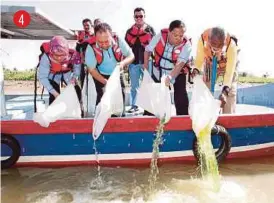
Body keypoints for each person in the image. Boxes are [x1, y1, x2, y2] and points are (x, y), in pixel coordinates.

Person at [144, 20, 192, 116]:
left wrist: (169, 78)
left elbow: (180, 65)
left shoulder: (187, 45)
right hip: (160, 70)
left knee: (180, 97)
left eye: (181, 36)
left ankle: (182, 119)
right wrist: (145, 68)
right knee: (153, 97)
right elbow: (148, 50)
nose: (178, 38)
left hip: (177, 73)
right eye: (175, 35)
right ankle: (148, 119)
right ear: (169, 32)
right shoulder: (160, 36)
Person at [85, 23, 135, 116]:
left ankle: (120, 120)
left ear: (111, 36)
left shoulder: (118, 40)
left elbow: (131, 56)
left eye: (106, 41)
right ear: (95, 37)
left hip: (117, 74)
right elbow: (91, 70)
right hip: (100, 76)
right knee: (102, 101)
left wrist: (123, 63)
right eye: (100, 42)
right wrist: (105, 82)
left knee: (120, 101)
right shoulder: (90, 47)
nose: (104, 45)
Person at [193, 27, 239, 114]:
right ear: (209, 39)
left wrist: (225, 92)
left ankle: (228, 117)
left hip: (225, 64)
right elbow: (199, 58)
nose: (216, 47)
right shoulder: (203, 39)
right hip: (210, 62)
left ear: (224, 41)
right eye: (213, 43)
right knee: (206, 91)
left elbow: (229, 72)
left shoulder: (231, 45)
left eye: (220, 44)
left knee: (230, 93)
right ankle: (206, 116)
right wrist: (196, 69)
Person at [37, 36, 82, 113]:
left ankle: (77, 111)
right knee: (54, 97)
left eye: (62, 55)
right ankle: (53, 115)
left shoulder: (74, 54)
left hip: (67, 73)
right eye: (56, 55)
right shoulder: (46, 57)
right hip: (53, 74)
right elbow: (42, 77)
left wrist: (74, 78)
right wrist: (54, 93)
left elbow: (77, 69)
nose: (59, 58)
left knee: (76, 91)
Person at [125, 7, 155, 113]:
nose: (139, 18)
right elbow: (125, 48)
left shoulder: (150, 30)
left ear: (144, 16)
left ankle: (150, 107)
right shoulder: (129, 31)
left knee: (148, 84)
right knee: (134, 86)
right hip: (134, 63)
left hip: (148, 62)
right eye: (136, 16)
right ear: (134, 17)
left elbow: (155, 46)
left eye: (141, 16)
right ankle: (134, 106)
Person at [75, 18, 95, 89]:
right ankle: (83, 95)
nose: (86, 27)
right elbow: (79, 48)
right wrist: (82, 59)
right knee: (83, 79)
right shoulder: (81, 35)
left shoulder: (95, 35)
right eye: (84, 25)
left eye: (87, 25)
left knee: (94, 79)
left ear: (91, 25)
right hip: (84, 61)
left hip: (94, 62)